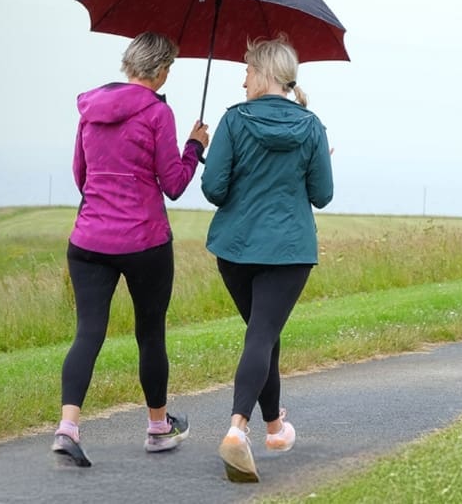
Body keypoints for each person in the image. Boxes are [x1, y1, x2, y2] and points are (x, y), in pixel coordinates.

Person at [52, 32, 209, 467]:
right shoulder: (159, 112)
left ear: (129, 65)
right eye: (169, 68)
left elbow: (81, 175)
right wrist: (195, 147)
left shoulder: (90, 108)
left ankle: (68, 428)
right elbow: (174, 184)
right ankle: (159, 428)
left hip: (88, 241)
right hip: (145, 242)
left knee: (88, 333)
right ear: (160, 70)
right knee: (149, 333)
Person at [200, 37, 334, 482]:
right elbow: (322, 194)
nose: (242, 79)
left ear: (263, 74)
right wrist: (316, 162)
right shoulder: (312, 126)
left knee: (263, 334)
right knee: (262, 336)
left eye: (246, 70)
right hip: (289, 251)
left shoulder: (233, 122)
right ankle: (238, 431)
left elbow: (214, 189)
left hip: (236, 250)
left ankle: (275, 427)